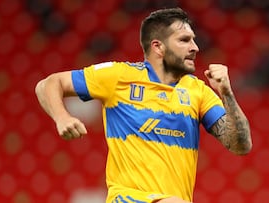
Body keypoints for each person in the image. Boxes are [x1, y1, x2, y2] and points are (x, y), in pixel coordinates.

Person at [35, 7, 252, 203]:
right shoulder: (119, 77)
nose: (195, 47)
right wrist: (61, 116)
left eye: (194, 40)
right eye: (184, 40)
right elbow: (48, 84)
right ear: (158, 46)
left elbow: (241, 146)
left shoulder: (198, 91)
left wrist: (227, 93)